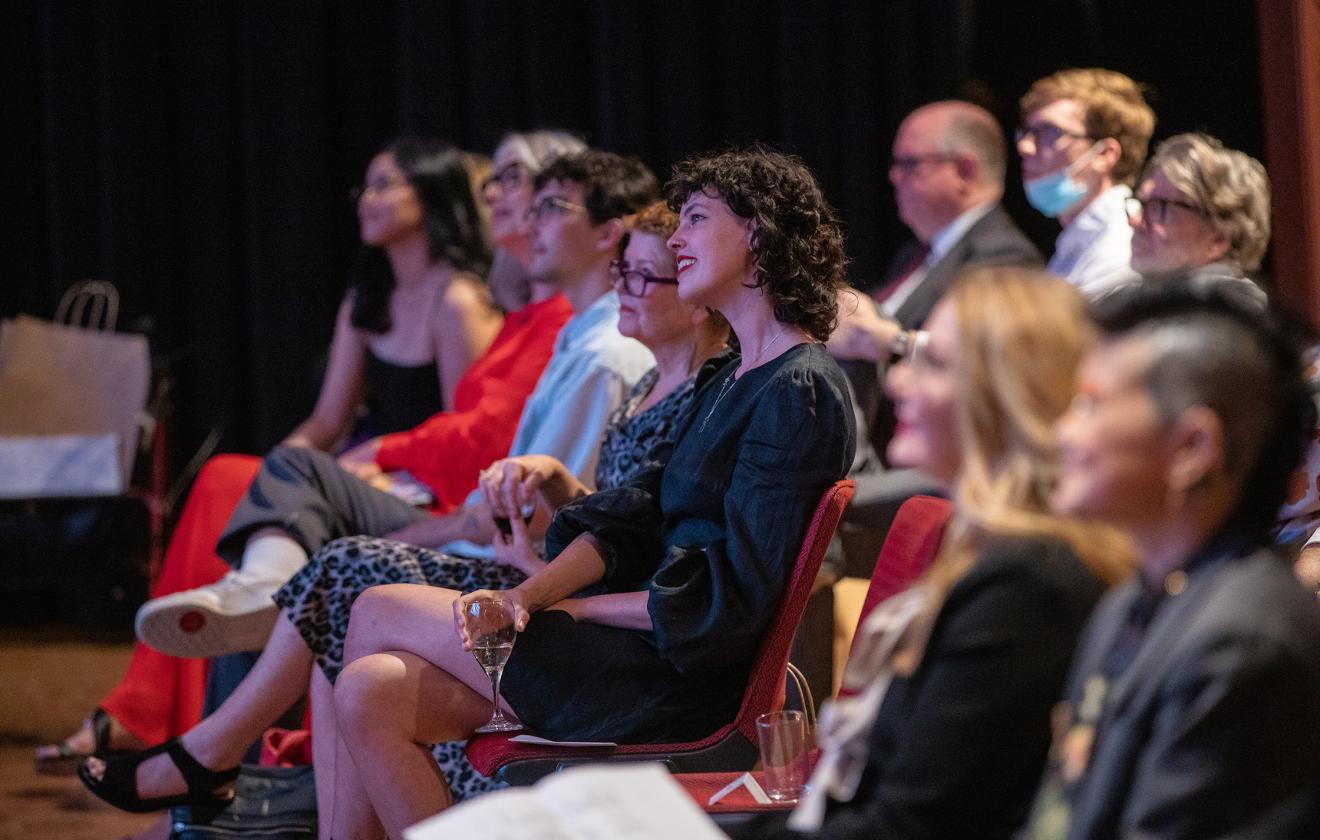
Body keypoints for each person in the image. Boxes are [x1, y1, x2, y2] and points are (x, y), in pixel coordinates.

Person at [74, 200, 731, 821]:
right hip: (552, 588)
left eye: (648, 276)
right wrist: (556, 490)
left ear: (700, 297)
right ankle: (243, 734)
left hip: (592, 632)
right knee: (342, 610)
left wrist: (534, 584)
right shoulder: (649, 381)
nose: (627, 287)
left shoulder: (694, 394)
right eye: (624, 271)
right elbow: (623, 528)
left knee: (345, 575)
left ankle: (213, 748)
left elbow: (649, 558)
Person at [273, 146, 855, 838]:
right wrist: (528, 597)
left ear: (758, 234)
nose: (676, 239)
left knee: (375, 604)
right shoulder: (729, 375)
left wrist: (578, 609)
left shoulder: (799, 389)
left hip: (676, 678)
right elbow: (632, 516)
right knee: (371, 689)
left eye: (696, 219)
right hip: (634, 651)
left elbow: (729, 602)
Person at [34, 135, 499, 775]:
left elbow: (466, 435)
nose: (367, 198)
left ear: (434, 198)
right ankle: (178, 679)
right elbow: (327, 422)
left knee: (234, 482)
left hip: (423, 487)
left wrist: (371, 462)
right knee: (233, 477)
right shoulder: (368, 297)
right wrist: (282, 470)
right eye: (365, 184)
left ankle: (168, 704)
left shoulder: (459, 301)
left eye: (386, 184)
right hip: (359, 475)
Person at [127, 148, 658, 665]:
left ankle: (216, 740)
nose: (519, 211)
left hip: (490, 540)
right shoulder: (563, 329)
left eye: (547, 204)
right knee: (277, 501)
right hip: (472, 514)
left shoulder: (591, 348)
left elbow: (511, 488)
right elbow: (331, 420)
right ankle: (226, 719)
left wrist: (391, 465)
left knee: (322, 555)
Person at [740, 268, 1132, 840]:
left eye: (936, 364)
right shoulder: (989, 550)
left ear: (1010, 396)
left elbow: (911, 826)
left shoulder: (1028, 583)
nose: (897, 383)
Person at [1024, 280, 1320, 839]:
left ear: (1192, 449)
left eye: (1090, 404)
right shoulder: (1131, 603)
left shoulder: (1244, 640)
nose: (1063, 432)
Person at [827, 99, 1042, 563]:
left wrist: (882, 339)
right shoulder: (918, 254)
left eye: (909, 164)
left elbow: (988, 376)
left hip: (915, 465)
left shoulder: (1002, 260)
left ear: (964, 170)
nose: (893, 177)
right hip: (873, 449)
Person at [1017, 68, 1155, 297]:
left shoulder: (1125, 243)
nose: (1025, 147)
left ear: (1104, 155)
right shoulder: (1076, 238)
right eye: (1027, 132)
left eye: (1051, 132)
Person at [1126, 131, 1271, 288]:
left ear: (1220, 237)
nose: (1134, 221)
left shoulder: (1224, 309)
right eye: (1141, 203)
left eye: (1157, 207)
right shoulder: (1161, 303)